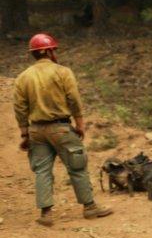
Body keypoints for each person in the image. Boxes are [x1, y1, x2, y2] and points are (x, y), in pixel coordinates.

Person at [12, 33, 111, 226]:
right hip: (61, 128)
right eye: (53, 50)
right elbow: (73, 99)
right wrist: (80, 123)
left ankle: (46, 213)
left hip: (36, 131)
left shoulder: (23, 77)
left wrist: (24, 132)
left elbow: (20, 106)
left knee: (42, 171)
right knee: (77, 167)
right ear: (47, 51)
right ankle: (90, 208)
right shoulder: (63, 72)